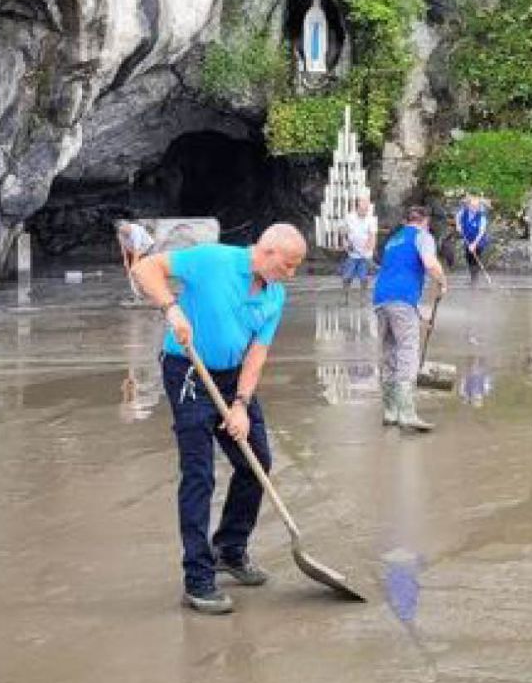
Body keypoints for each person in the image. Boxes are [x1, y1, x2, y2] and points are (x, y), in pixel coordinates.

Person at [132, 223, 307, 615]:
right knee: (199, 473)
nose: (291, 274)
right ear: (268, 251)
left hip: (233, 380)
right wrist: (172, 307)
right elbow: (145, 269)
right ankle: (197, 579)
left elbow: (257, 353)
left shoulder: (275, 295)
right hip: (189, 372)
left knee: (256, 460)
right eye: (290, 264)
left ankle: (229, 547)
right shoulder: (213, 259)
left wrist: (242, 404)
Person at [373, 206, 449, 432]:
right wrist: (442, 282)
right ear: (424, 221)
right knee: (407, 352)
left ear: (406, 221)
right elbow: (430, 263)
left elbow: (395, 269)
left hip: (380, 299)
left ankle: (390, 411)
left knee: (389, 352)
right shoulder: (423, 236)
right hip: (402, 299)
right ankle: (407, 413)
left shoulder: (393, 240)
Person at [341, 197, 378, 300]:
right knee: (347, 276)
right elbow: (344, 230)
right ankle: (345, 297)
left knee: (363, 277)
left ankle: (363, 297)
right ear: (357, 208)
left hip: (365, 254)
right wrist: (345, 241)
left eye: (366, 209)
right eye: (362, 209)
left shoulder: (371, 219)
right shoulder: (349, 217)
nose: (365, 211)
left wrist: (368, 249)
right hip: (352, 253)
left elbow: (372, 236)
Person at [455, 194, 489, 286]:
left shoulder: (482, 216)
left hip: (479, 240)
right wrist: (458, 226)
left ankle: (475, 279)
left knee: (475, 257)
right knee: (468, 257)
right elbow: (457, 217)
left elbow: (481, 232)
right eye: (472, 206)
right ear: (468, 205)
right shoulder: (463, 212)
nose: (474, 208)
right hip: (468, 239)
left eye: (476, 206)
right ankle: (472, 277)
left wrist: (474, 244)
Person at [117, 220, 155, 299]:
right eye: (122, 232)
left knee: (142, 269)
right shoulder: (120, 234)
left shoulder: (136, 232)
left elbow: (137, 252)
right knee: (133, 270)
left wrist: (133, 267)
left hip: (146, 247)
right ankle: (139, 291)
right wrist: (126, 262)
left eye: (125, 231)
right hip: (133, 250)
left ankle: (150, 289)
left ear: (128, 227)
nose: (124, 233)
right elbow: (123, 249)